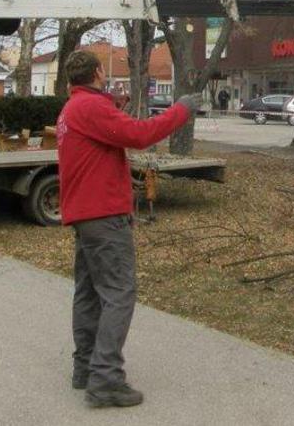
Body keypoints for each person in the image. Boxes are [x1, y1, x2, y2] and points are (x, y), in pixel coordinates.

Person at [56, 50, 201, 408]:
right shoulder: (90, 106)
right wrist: (180, 111)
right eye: (104, 71)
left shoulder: (72, 108)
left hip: (87, 215)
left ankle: (86, 367)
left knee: (89, 294)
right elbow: (139, 134)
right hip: (103, 217)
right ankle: (105, 379)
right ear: (97, 73)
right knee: (119, 293)